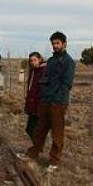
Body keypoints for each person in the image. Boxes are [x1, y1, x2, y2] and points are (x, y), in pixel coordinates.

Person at [27, 32, 76, 172]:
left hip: (58, 103)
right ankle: (32, 154)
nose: (55, 46)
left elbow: (66, 84)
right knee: (40, 130)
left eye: (57, 43)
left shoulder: (69, 62)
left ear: (64, 44)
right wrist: (44, 91)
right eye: (53, 43)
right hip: (45, 101)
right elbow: (46, 78)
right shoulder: (52, 60)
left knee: (57, 133)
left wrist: (54, 96)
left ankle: (54, 161)